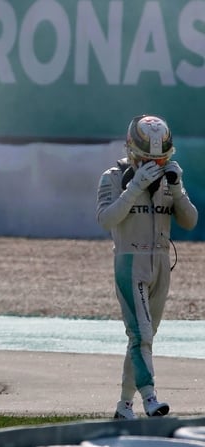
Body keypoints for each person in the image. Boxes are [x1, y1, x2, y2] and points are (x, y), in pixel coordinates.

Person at [96, 115, 198, 419]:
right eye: (147, 159)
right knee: (141, 335)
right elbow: (105, 219)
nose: (154, 165)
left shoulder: (169, 179)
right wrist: (134, 186)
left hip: (162, 263)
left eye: (161, 159)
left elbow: (190, 221)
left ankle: (124, 406)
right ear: (131, 150)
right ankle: (150, 397)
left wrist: (177, 190)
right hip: (130, 260)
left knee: (144, 337)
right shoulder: (113, 177)